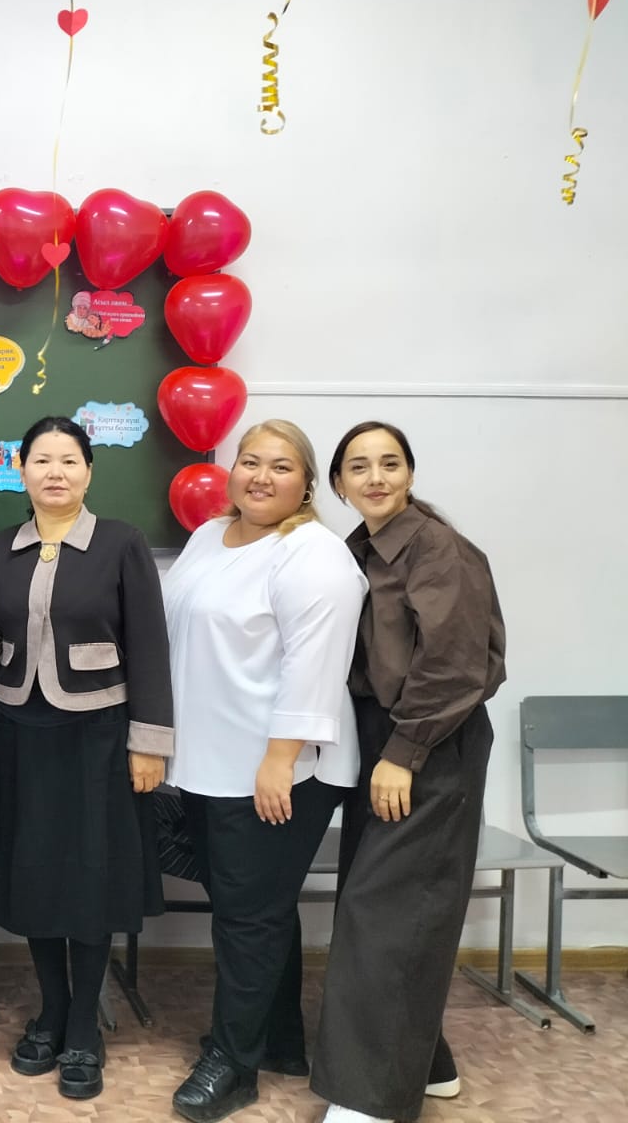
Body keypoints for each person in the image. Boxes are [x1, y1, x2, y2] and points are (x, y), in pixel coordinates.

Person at [162, 420, 368, 1123]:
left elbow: (316, 664)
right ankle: (277, 1040)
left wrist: (280, 760)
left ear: (306, 484)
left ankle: (233, 1063)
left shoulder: (313, 555)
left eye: (281, 466)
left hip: (279, 767)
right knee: (255, 907)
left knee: (247, 917)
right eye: (250, 461)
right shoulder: (207, 537)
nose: (260, 476)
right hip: (209, 760)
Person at [0, 415, 172, 1102]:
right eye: (41, 460)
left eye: (69, 461)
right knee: (31, 875)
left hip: (98, 735)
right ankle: (50, 1011)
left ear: (89, 471)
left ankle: (84, 1024)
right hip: (15, 732)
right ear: (21, 470)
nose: (55, 472)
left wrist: (150, 743)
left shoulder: (121, 542)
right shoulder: (0, 548)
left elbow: (150, 647)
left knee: (90, 879)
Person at [312, 422, 506, 1123]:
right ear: (338, 483)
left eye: (390, 464)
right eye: (359, 467)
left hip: (429, 740)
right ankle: (427, 1065)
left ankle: (368, 1100)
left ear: (411, 473)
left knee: (388, 910)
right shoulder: (355, 549)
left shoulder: (437, 547)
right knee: (385, 904)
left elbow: (456, 667)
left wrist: (403, 753)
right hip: (380, 738)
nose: (376, 478)